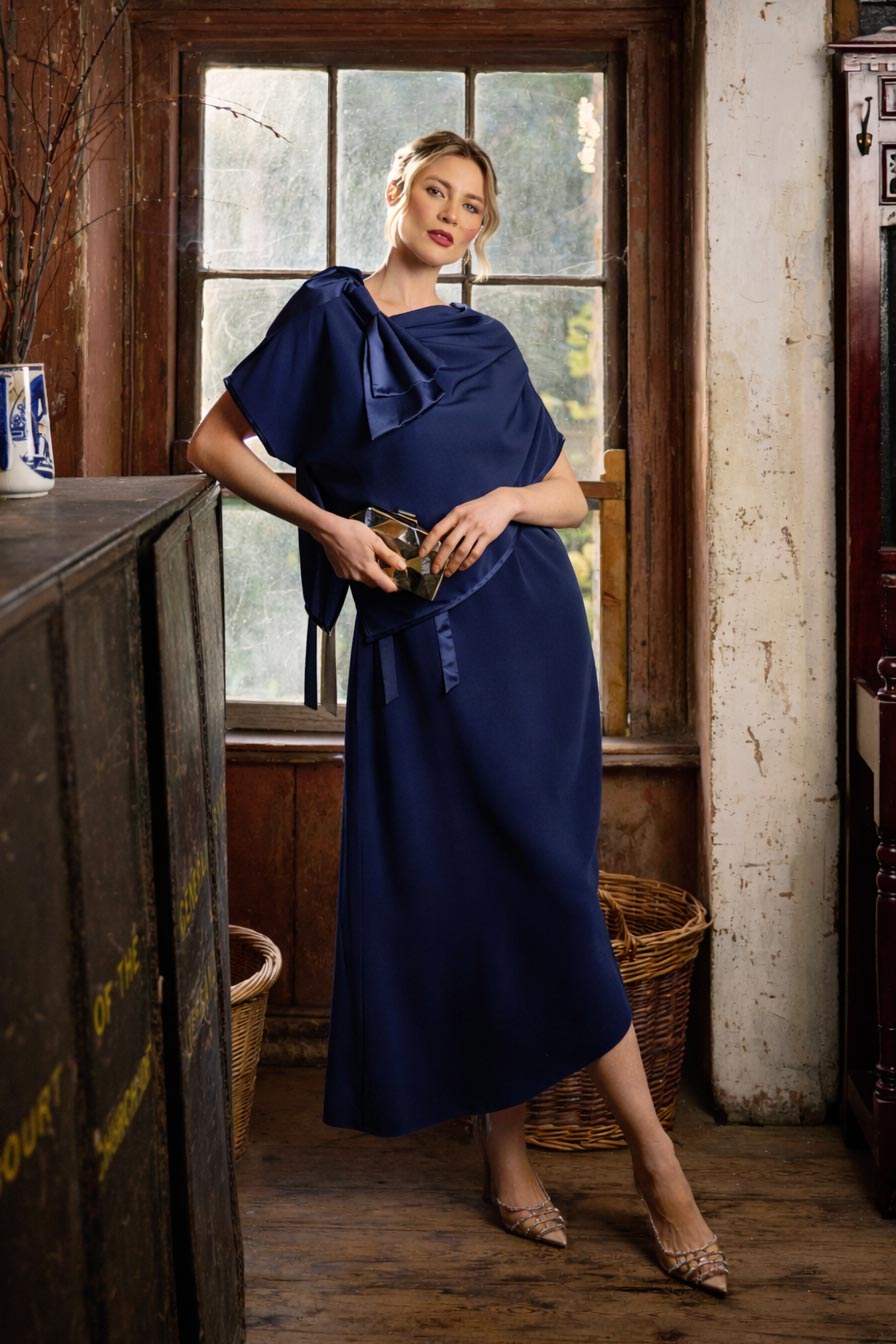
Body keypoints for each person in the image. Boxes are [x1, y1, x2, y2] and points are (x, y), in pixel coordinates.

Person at [187, 129, 729, 1296]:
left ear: (481, 232)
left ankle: (647, 1158)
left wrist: (499, 500)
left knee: (541, 883)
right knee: (469, 891)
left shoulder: (484, 341)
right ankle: (516, 1148)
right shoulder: (325, 319)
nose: (450, 213)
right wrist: (325, 525)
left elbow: (566, 497)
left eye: (472, 204)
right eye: (433, 191)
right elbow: (209, 443)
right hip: (413, 654)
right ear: (393, 195)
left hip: (531, 643)